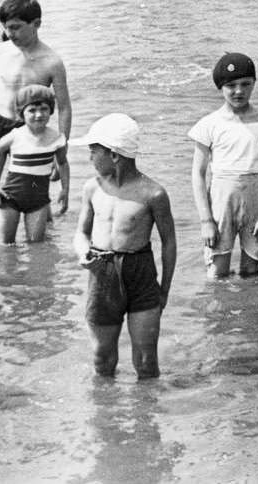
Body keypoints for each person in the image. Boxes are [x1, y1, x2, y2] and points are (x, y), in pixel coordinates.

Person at [71, 113, 176, 378]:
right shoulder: (92, 188)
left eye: (93, 151)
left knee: (146, 361)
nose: (90, 158)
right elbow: (81, 233)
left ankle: (147, 404)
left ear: (114, 155)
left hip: (140, 272)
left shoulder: (153, 193)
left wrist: (164, 290)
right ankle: (107, 404)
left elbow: (169, 243)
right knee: (102, 359)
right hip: (103, 271)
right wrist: (83, 253)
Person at [0, 0, 72, 228]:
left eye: (15, 27)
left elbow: (64, 107)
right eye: (6, 27)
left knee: (37, 201)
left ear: (36, 24)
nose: (9, 33)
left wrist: (61, 151)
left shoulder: (52, 62)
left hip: (31, 133)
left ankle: (44, 248)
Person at [189, 52, 258, 279]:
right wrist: (206, 220)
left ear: (254, 83)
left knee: (252, 269)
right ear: (220, 88)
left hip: (257, 197)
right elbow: (198, 173)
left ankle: (252, 300)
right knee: (217, 270)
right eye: (231, 86)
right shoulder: (209, 124)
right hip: (222, 198)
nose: (239, 91)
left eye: (245, 84)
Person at [0, 85, 69, 244]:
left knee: (36, 246)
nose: (39, 114)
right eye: (32, 110)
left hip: (39, 202)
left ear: (51, 110)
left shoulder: (57, 138)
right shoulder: (15, 136)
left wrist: (65, 190)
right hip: (10, 199)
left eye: (44, 109)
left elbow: (63, 163)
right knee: (6, 246)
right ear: (21, 113)